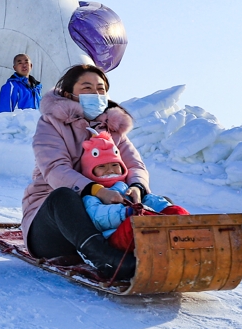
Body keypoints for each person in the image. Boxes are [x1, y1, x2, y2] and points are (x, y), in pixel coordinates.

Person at [22, 64, 149, 280]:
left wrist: (137, 187)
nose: (96, 94)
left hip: (104, 217)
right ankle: (104, 258)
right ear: (68, 93)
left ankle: (171, 248)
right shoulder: (51, 124)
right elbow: (55, 170)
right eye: (87, 88)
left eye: (101, 89)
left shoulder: (112, 129)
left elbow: (135, 166)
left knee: (155, 201)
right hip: (53, 227)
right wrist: (99, 191)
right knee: (63, 195)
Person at [80, 129, 189, 252]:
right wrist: (126, 213)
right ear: (90, 170)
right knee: (136, 224)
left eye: (115, 165)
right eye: (101, 166)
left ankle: (189, 237)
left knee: (177, 211)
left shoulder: (127, 187)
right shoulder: (92, 196)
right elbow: (98, 217)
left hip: (148, 228)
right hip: (116, 237)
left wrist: (165, 208)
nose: (110, 170)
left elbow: (149, 200)